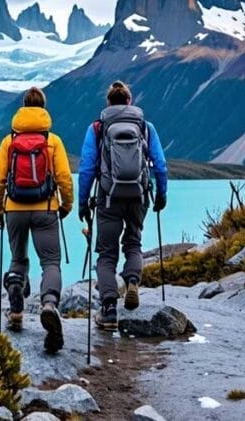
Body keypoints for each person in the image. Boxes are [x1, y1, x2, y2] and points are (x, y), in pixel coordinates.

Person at [78, 81, 168, 331]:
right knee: (133, 242)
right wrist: (161, 194)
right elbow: (160, 164)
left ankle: (108, 311)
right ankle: (132, 282)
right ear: (129, 101)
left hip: (108, 197)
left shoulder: (97, 128)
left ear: (108, 103)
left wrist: (83, 202)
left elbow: (86, 168)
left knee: (106, 254)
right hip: (139, 195)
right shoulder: (145, 127)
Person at [0, 86, 74, 353]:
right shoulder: (52, 141)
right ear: (43, 108)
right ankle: (49, 303)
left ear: (23, 107)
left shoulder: (8, 141)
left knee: (18, 258)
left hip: (14, 208)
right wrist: (66, 204)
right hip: (45, 208)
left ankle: (15, 309)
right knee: (50, 261)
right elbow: (64, 177)